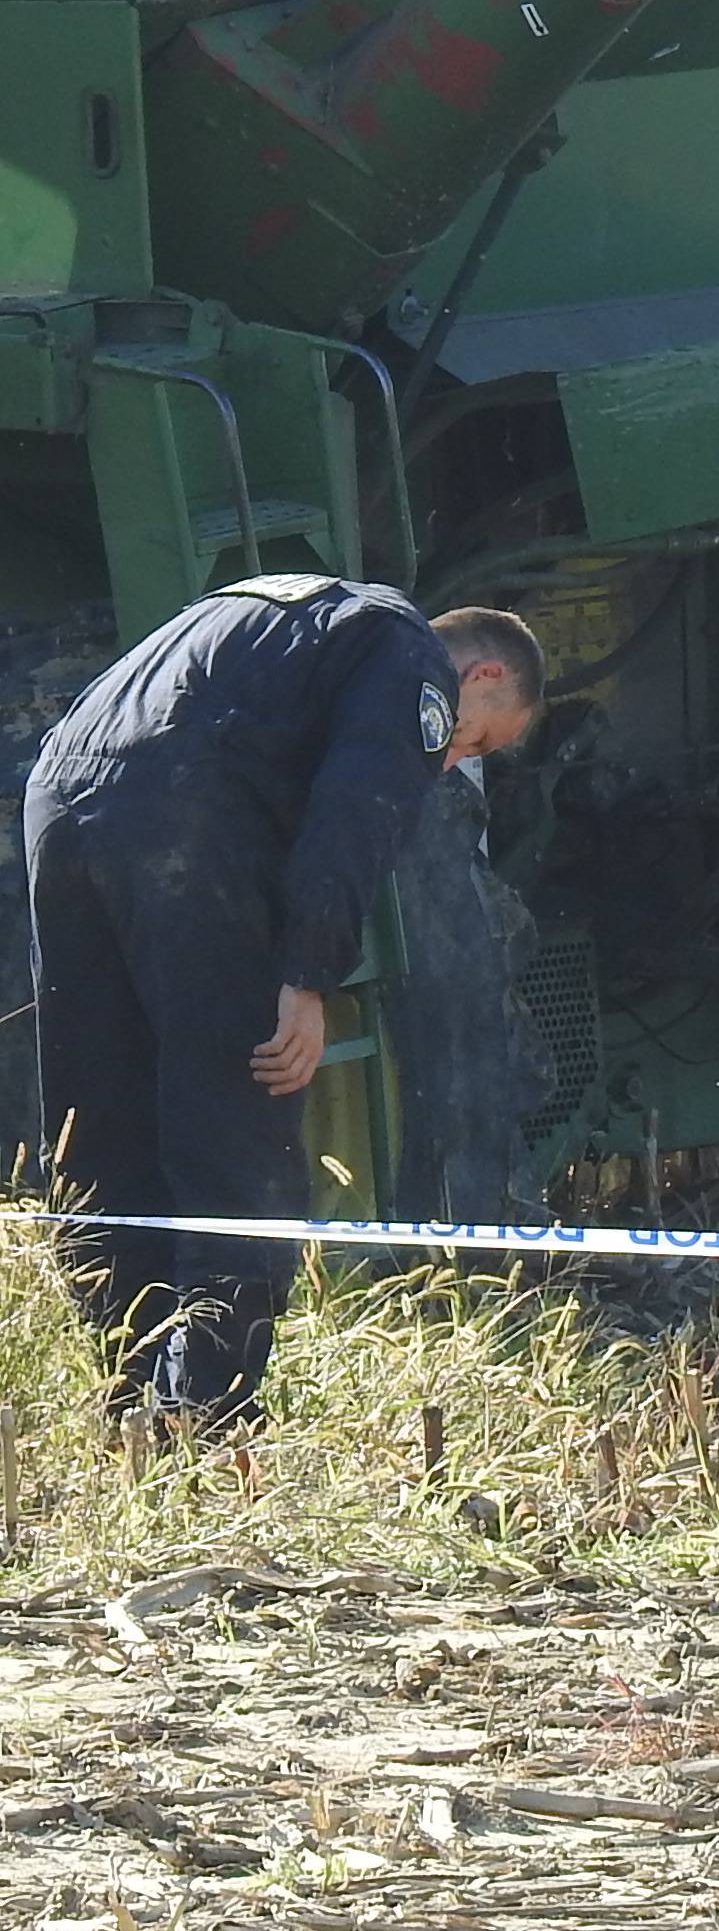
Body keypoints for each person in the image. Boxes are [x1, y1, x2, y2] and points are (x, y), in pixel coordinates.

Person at [24, 577, 544, 1424]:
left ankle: (129, 1390)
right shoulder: (408, 653)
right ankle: (208, 1408)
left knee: (100, 1116)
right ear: (480, 676)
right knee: (240, 1114)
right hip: (186, 810)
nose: (448, 762)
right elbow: (358, 809)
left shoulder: (281, 614)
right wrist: (307, 978)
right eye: (470, 739)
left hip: (59, 796)